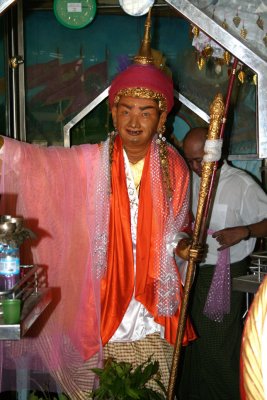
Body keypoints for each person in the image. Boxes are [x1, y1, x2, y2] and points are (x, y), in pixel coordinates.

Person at [0, 11, 198, 400]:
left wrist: (182, 245)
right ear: (113, 112)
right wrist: (5, 150)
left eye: (145, 112)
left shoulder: (174, 165)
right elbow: (45, 167)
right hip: (102, 292)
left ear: (163, 117)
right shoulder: (95, 159)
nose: (134, 120)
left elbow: (181, 225)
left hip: (154, 301)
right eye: (126, 110)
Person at [178, 126, 267, 400]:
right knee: (193, 344)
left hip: (225, 274)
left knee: (218, 344)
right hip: (193, 273)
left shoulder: (242, 184)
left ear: (215, 151)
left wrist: (244, 231)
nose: (195, 166)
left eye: (200, 159)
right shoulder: (191, 181)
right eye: (190, 160)